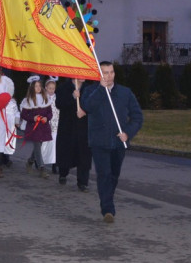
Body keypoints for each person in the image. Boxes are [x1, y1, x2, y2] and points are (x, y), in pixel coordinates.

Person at [80, 61, 144, 223]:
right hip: (99, 142)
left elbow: (137, 117)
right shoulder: (91, 91)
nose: (109, 76)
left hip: (118, 143)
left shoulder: (125, 93)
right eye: (105, 73)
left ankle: (108, 198)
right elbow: (87, 106)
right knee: (104, 174)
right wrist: (101, 89)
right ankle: (108, 209)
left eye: (111, 72)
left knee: (114, 175)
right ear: (99, 75)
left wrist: (128, 133)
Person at [55, 76, 93, 191]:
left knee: (84, 153)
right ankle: (63, 173)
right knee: (66, 151)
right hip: (68, 127)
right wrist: (72, 97)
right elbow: (59, 104)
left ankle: (82, 182)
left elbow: (94, 105)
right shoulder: (63, 88)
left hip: (84, 127)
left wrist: (85, 111)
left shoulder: (89, 89)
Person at [19, 75, 54, 178]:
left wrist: (47, 118)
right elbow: (24, 114)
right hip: (34, 127)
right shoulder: (28, 100)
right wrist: (32, 118)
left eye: (39, 86)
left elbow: (49, 112)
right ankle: (42, 168)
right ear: (32, 88)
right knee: (37, 146)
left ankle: (30, 161)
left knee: (38, 146)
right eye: (36, 86)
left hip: (43, 127)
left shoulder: (45, 98)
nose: (38, 88)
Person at [41, 77, 59, 171]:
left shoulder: (57, 98)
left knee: (54, 144)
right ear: (46, 88)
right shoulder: (43, 98)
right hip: (45, 123)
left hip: (55, 124)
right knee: (44, 143)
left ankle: (54, 164)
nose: (51, 90)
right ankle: (40, 161)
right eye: (50, 88)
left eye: (53, 88)